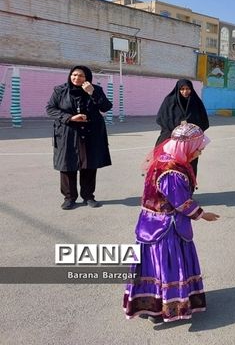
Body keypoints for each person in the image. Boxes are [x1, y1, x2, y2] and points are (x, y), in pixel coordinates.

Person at [123, 123, 220, 324]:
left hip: (151, 223)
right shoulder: (171, 171)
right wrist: (203, 214)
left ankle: (152, 304)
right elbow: (182, 202)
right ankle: (167, 307)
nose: (199, 152)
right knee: (168, 265)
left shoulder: (164, 158)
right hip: (166, 228)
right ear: (186, 146)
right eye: (198, 147)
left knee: (153, 268)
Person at [46, 65, 112, 210]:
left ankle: (88, 196)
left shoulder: (95, 89)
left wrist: (92, 93)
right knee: (67, 165)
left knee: (89, 165)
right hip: (67, 133)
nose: (77, 78)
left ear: (87, 77)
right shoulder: (60, 90)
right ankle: (69, 198)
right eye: (74, 75)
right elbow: (50, 109)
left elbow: (106, 107)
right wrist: (70, 117)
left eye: (81, 76)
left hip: (90, 133)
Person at [156, 78, 209, 177]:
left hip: (190, 145)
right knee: (169, 169)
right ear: (178, 90)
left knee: (189, 169)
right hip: (170, 143)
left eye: (188, 89)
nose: (185, 91)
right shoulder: (169, 101)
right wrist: (178, 130)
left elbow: (203, 122)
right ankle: (167, 191)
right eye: (182, 89)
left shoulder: (196, 103)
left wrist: (191, 132)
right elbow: (161, 119)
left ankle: (187, 191)